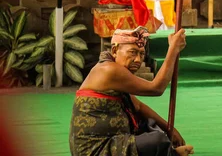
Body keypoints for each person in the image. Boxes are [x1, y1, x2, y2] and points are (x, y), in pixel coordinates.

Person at [69, 26, 194, 156]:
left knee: (151, 125)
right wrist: (173, 49)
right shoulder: (109, 70)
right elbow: (156, 88)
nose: (138, 60)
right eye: (133, 52)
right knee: (157, 140)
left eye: (141, 54)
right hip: (97, 149)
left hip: (116, 139)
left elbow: (138, 106)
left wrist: (169, 129)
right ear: (115, 50)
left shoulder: (114, 69)